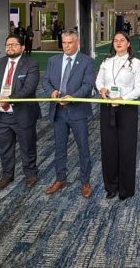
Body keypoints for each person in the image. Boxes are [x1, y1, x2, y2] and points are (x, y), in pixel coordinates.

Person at [43, 29, 96, 198]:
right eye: (64, 43)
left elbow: (88, 86)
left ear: (77, 43)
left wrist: (72, 98)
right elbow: (45, 80)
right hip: (58, 112)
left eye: (69, 43)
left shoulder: (87, 62)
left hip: (77, 111)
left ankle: (85, 181)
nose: (66, 46)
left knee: (83, 148)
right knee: (59, 147)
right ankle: (60, 179)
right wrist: (51, 92)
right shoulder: (53, 60)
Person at [0, 34, 41, 189]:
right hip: (0, 114)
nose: (10, 47)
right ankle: (7, 175)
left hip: (22, 113)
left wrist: (8, 99)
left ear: (22, 47)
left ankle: (30, 174)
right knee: (4, 148)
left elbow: (28, 89)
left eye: (14, 44)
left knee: (27, 146)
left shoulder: (31, 64)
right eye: (7, 45)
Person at [96, 31, 140, 200]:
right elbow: (99, 81)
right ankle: (111, 186)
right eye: (115, 40)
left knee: (126, 149)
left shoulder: (136, 63)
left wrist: (123, 99)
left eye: (122, 40)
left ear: (128, 43)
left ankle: (126, 189)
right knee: (109, 148)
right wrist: (102, 89)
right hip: (107, 107)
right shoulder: (106, 61)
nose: (118, 43)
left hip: (127, 108)